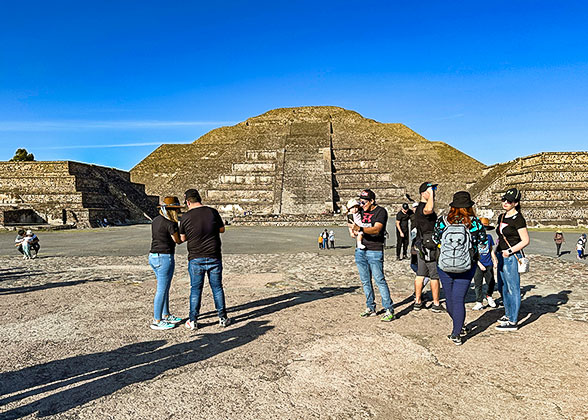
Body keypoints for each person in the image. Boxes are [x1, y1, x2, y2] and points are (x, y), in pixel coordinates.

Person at [434, 191, 488, 345]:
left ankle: (459, 325)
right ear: (469, 207)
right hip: (467, 265)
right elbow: (483, 242)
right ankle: (456, 333)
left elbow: (435, 239)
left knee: (450, 299)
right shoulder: (475, 223)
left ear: (453, 206)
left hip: (444, 265)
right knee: (459, 299)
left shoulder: (442, 221)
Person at [180, 188, 230, 330]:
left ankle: (193, 320)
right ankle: (222, 318)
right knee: (217, 288)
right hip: (214, 255)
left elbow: (183, 238)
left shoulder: (185, 217)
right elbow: (222, 229)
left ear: (188, 202)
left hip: (196, 257)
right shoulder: (212, 212)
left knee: (195, 289)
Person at [348, 189, 395, 322]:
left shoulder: (380, 212)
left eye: (364, 202)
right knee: (365, 281)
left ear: (372, 201)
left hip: (375, 250)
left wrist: (361, 229)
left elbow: (377, 229)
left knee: (379, 280)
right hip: (360, 250)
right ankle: (370, 307)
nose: (362, 205)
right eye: (360, 202)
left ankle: (388, 309)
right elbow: (350, 219)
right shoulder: (360, 211)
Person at [495, 188, 530, 332]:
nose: (505, 203)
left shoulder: (519, 219)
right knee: (502, 287)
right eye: (504, 200)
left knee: (513, 288)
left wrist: (509, 251)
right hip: (500, 255)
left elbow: (525, 240)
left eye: (509, 201)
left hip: (511, 257)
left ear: (515, 203)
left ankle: (513, 321)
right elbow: (500, 237)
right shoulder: (502, 217)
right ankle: (508, 314)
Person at [148, 196, 184, 330]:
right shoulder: (170, 224)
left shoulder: (156, 220)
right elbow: (177, 240)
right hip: (164, 257)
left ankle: (166, 314)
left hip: (153, 256)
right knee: (162, 290)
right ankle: (157, 320)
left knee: (164, 287)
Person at [413, 182, 444, 313]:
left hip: (421, 245)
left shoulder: (419, 208)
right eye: (430, 191)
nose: (433, 193)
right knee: (434, 276)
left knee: (420, 274)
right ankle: (436, 303)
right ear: (423, 193)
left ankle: (418, 301)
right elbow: (429, 210)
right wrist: (431, 195)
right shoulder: (422, 208)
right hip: (429, 246)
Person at [472, 217, 498, 310]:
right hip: (478, 264)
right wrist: (479, 264)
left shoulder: (489, 237)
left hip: (488, 263)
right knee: (478, 283)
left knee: (491, 281)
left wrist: (494, 259)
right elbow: (473, 253)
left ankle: (489, 296)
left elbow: (490, 250)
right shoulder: (475, 238)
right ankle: (479, 301)